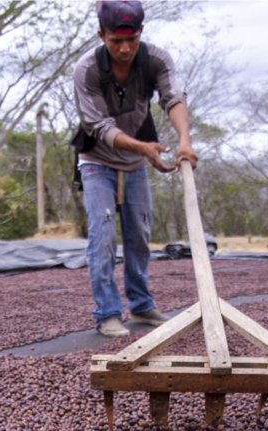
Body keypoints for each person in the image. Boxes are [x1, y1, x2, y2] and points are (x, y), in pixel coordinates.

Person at [72, 0, 198, 337]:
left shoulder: (155, 59)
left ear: (141, 33)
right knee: (102, 234)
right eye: (116, 41)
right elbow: (99, 127)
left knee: (139, 236)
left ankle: (141, 306)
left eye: (132, 39)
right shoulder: (87, 70)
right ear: (102, 35)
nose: (125, 48)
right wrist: (144, 148)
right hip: (97, 161)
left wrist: (184, 139)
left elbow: (173, 97)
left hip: (134, 164)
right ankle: (108, 313)